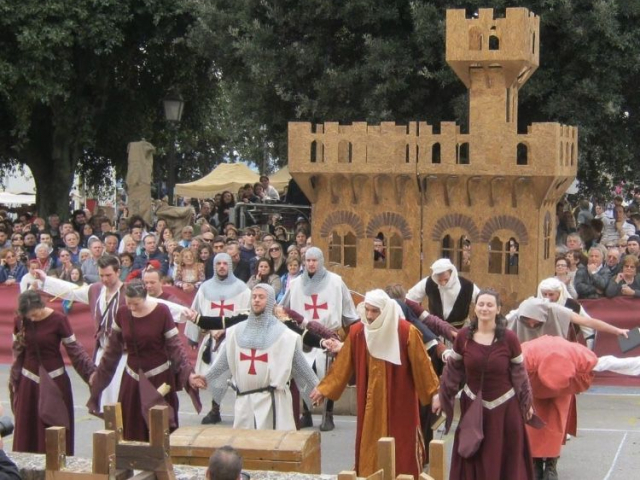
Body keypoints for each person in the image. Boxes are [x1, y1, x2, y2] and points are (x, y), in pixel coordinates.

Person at [310, 289, 439, 478]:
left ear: (385, 311)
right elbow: (344, 364)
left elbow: (422, 366)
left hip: (400, 403)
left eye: (374, 311)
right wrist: (324, 389)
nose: (369, 316)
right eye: (367, 310)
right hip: (369, 404)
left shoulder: (406, 332)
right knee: (370, 447)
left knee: (402, 449)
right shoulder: (357, 332)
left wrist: (434, 393)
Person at [433, 289, 536, 480]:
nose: (484, 308)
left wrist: (526, 400)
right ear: (475, 307)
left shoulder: (509, 338)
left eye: (490, 305)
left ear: (498, 309)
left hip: (505, 408)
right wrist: (442, 395)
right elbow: (453, 370)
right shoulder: (464, 336)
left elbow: (519, 371)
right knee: (474, 451)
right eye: (481, 304)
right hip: (473, 405)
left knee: (504, 454)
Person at [88, 281, 204, 441]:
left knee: (159, 427)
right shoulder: (122, 313)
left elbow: (175, 347)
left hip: (159, 378)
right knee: (131, 425)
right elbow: (112, 350)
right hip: (132, 379)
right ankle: (131, 460)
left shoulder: (161, 312)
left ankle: (160, 463)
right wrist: (98, 374)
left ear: (145, 298)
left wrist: (189, 374)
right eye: (128, 303)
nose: (132, 308)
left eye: (136, 304)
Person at [205, 284, 318, 430]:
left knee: (274, 448)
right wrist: (205, 378)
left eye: (261, 297)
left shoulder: (285, 336)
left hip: (273, 403)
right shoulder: (235, 332)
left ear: (270, 301)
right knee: (243, 447)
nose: (256, 300)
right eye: (254, 297)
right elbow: (222, 364)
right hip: (244, 403)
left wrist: (317, 387)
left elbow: (301, 367)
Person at [281, 247, 359, 431]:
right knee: (302, 373)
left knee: (328, 375)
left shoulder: (336, 282)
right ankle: (306, 414)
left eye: (314, 260)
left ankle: (328, 414)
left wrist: (352, 337)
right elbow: (284, 309)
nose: (311, 264)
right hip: (304, 336)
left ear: (321, 261)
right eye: (308, 260)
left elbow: (348, 312)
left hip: (328, 335)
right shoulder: (296, 283)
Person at [35, 255, 128, 409]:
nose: (104, 279)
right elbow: (71, 291)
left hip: (124, 354)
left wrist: (181, 311)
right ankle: (110, 428)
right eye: (101, 275)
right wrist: (47, 280)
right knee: (104, 397)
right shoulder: (95, 290)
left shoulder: (128, 292)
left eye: (108, 275)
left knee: (121, 394)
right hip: (103, 352)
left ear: (118, 272)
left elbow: (154, 304)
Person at [10, 291, 95, 454]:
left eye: (35, 314)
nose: (32, 319)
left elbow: (74, 349)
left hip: (56, 381)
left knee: (54, 429)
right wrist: (15, 383)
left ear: (41, 306)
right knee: (28, 431)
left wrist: (91, 372)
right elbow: (18, 353)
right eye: (29, 316)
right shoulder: (20, 320)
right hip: (29, 383)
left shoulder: (59, 319)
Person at [185, 252, 251, 425]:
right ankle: (215, 410)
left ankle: (243, 411)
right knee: (214, 375)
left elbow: (247, 314)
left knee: (238, 377)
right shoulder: (205, 288)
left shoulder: (242, 288)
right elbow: (195, 311)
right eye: (218, 264)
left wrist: (227, 330)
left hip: (235, 339)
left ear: (230, 265)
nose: (221, 266)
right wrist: (193, 337)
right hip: (211, 339)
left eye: (224, 263)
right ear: (214, 266)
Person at [406, 258, 480, 328]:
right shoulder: (429, 283)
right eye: (440, 280)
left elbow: (481, 301)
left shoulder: (468, 286)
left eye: (446, 280)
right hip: (435, 329)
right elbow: (410, 299)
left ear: (452, 274)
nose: (443, 283)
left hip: (460, 331)